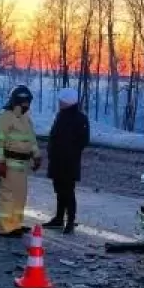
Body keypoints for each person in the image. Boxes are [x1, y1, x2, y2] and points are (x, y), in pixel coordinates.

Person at [0, 84, 42, 238]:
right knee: (7, 196)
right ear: (16, 101)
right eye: (24, 102)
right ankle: (5, 228)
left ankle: (15, 224)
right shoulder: (4, 117)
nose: (27, 105)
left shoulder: (26, 119)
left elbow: (31, 139)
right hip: (8, 165)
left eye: (28, 102)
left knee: (20, 197)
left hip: (22, 166)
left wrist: (36, 155)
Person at [44, 88, 91, 234]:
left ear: (67, 102)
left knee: (68, 191)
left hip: (69, 161)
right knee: (59, 190)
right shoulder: (61, 115)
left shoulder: (80, 118)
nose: (59, 103)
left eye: (61, 101)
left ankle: (70, 220)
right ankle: (59, 218)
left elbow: (83, 140)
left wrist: (70, 151)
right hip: (58, 160)